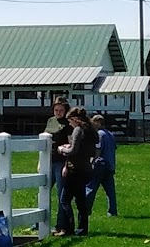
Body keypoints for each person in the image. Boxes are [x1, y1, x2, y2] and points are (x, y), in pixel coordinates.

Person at [55, 107, 97, 235]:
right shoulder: (90, 131)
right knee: (80, 201)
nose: (69, 124)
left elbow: (73, 151)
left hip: (75, 169)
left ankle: (69, 228)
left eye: (70, 121)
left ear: (75, 119)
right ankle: (83, 229)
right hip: (86, 169)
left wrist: (62, 149)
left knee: (65, 200)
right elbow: (91, 151)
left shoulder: (78, 130)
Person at [87, 112, 119, 219]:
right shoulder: (110, 134)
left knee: (91, 188)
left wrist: (92, 161)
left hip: (100, 165)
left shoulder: (99, 134)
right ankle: (112, 211)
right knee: (110, 191)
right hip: (109, 165)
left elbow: (97, 149)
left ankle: (86, 210)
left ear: (98, 122)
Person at [42, 97, 70, 214]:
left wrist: (67, 165)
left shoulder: (68, 123)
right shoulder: (50, 121)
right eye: (56, 110)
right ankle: (38, 223)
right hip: (48, 159)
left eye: (61, 110)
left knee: (61, 192)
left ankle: (61, 224)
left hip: (61, 160)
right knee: (43, 190)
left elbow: (71, 144)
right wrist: (40, 161)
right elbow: (43, 138)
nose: (58, 112)